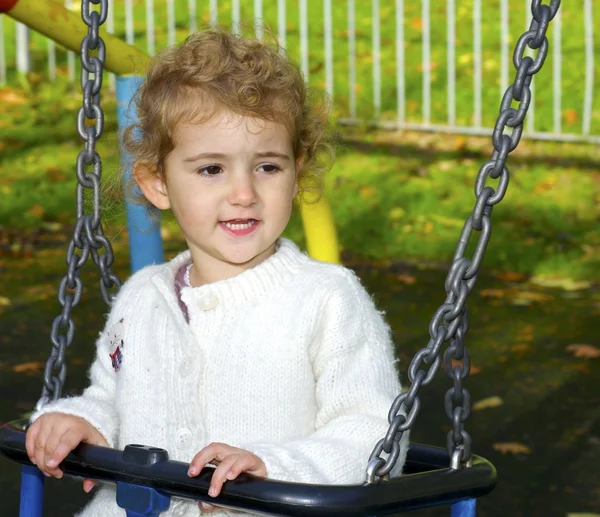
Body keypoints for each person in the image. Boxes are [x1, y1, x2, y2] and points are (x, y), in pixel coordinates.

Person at [25, 26, 408, 517]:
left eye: (268, 167)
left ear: (298, 170)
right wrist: (81, 421)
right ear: (158, 184)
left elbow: (372, 431)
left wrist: (272, 465)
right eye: (212, 169)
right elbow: (113, 399)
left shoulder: (326, 299)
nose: (244, 193)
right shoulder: (142, 297)